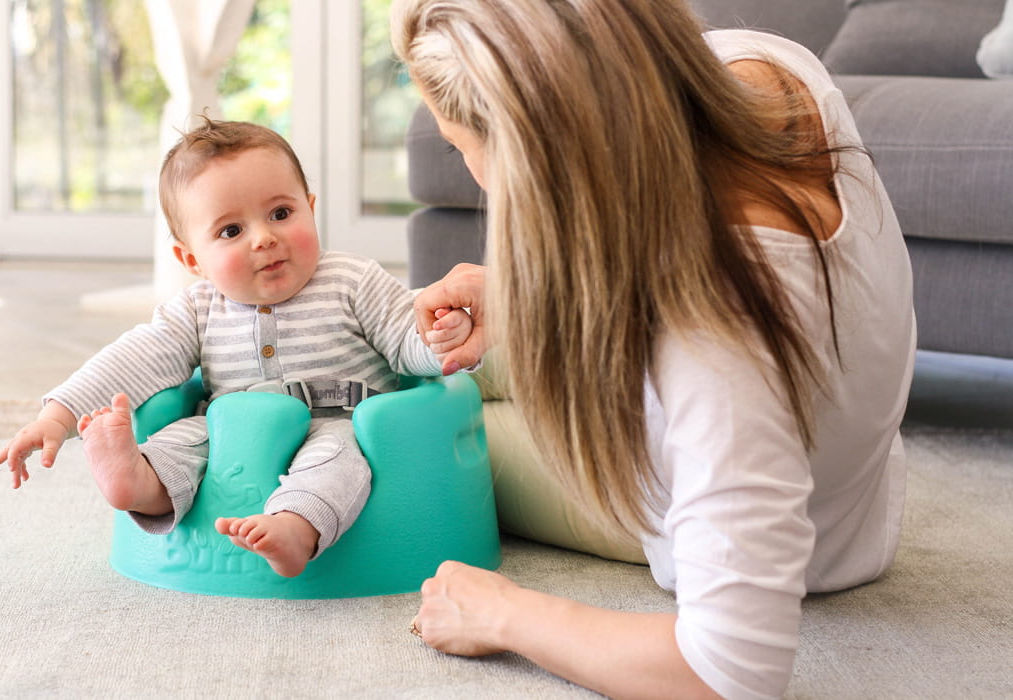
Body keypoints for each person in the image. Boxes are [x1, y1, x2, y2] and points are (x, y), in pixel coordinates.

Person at [392, 1, 916, 698]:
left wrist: (502, 613)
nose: (471, 172)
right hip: (835, 462)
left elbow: (727, 673)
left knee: (417, 427)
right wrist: (526, 299)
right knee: (417, 348)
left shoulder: (715, 338)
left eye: (458, 146)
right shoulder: (757, 67)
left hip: (777, 529)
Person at [0, 118, 472, 578]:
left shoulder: (352, 279)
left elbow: (405, 340)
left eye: (281, 213)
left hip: (339, 423)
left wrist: (440, 337)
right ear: (192, 258)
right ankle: (136, 481)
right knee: (177, 443)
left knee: (337, 463)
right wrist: (59, 415)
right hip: (225, 432)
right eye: (231, 231)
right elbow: (135, 358)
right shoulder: (198, 309)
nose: (264, 238)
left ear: (310, 207)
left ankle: (295, 529)